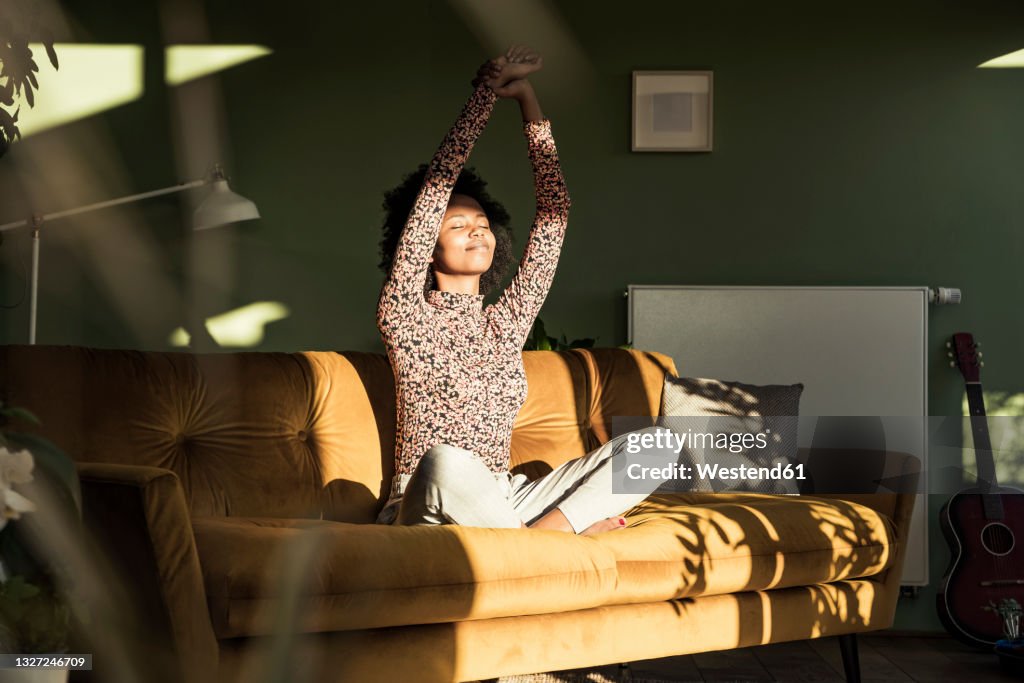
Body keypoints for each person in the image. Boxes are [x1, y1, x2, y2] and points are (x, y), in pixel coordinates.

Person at [375, 46, 662, 535]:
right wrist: (485, 96)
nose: (477, 231)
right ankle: (556, 542)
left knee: (658, 448)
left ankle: (542, 539)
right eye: (458, 224)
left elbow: (554, 218)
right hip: (428, 497)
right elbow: (437, 185)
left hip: (505, 499)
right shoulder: (405, 314)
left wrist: (529, 102)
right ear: (425, 243)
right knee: (445, 460)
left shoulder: (504, 323)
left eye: (482, 223)